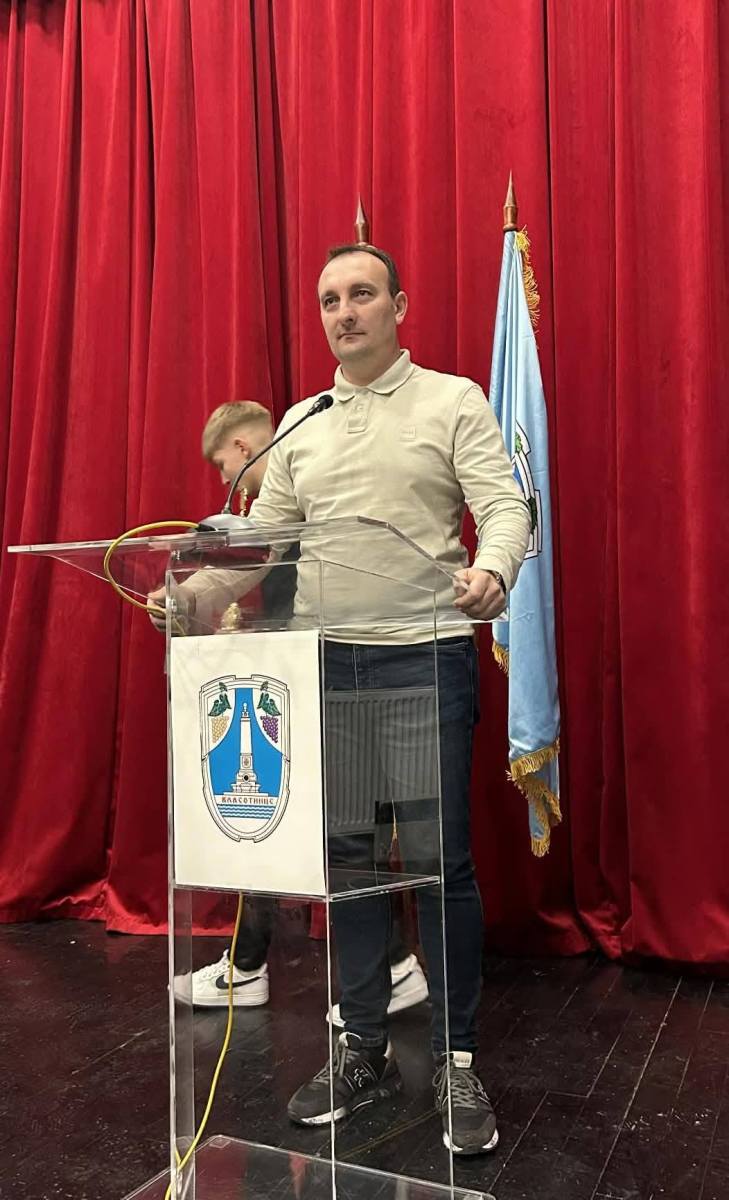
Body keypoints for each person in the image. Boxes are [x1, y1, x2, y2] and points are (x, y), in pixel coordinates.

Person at [245, 244, 531, 1155]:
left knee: (438, 865)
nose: (344, 312)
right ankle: (361, 1045)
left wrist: (492, 569)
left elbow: (506, 506)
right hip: (329, 669)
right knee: (353, 864)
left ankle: (454, 1059)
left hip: (422, 662)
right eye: (329, 299)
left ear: (398, 306)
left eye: (361, 294)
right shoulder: (304, 421)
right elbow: (260, 540)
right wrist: (197, 589)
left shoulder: (452, 400)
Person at [150, 400, 429, 1018]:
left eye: (224, 467)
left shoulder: (300, 498)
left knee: (330, 833)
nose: (227, 481)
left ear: (242, 449)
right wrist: (187, 599)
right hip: (291, 681)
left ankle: (388, 967)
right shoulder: (263, 519)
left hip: (329, 680)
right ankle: (264, 965)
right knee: (278, 824)